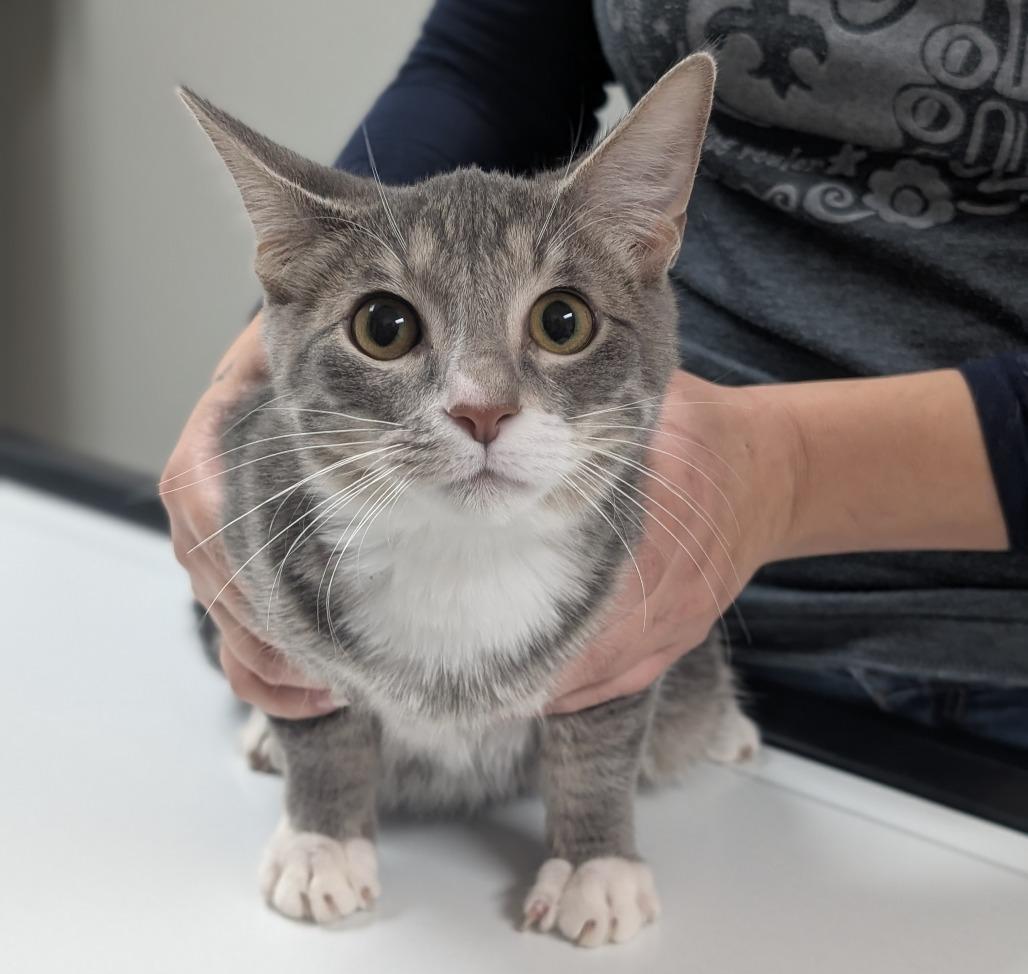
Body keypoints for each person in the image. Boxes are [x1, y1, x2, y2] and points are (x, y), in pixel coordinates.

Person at [164, 0, 1028, 749]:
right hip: (635, 585)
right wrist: (315, 303)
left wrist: (788, 472)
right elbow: (490, 68)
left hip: (990, 662)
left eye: (558, 322)